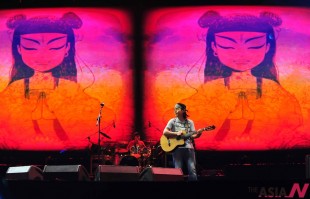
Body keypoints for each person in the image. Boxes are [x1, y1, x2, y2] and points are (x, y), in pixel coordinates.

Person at [163, 10, 303, 150]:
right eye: (228, 46)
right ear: (214, 47)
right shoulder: (212, 88)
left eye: (254, 46)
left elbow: (291, 119)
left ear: (267, 47)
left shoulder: (271, 88)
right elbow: (183, 115)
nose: (241, 54)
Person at [0, 12, 116, 150]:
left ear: (67, 48)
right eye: (31, 47)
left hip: (65, 147)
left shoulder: (69, 88)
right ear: (19, 49)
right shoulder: (16, 88)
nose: (42, 55)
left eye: (55, 47)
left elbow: (105, 116)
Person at [163, 103, 204, 181]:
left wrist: (198, 134)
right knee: (178, 170)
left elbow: (192, 136)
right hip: (177, 149)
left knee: (192, 170)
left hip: (189, 148)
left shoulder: (190, 122)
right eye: (174, 108)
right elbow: (165, 132)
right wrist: (176, 133)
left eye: (177, 108)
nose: (175, 110)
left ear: (183, 110)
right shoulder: (173, 121)